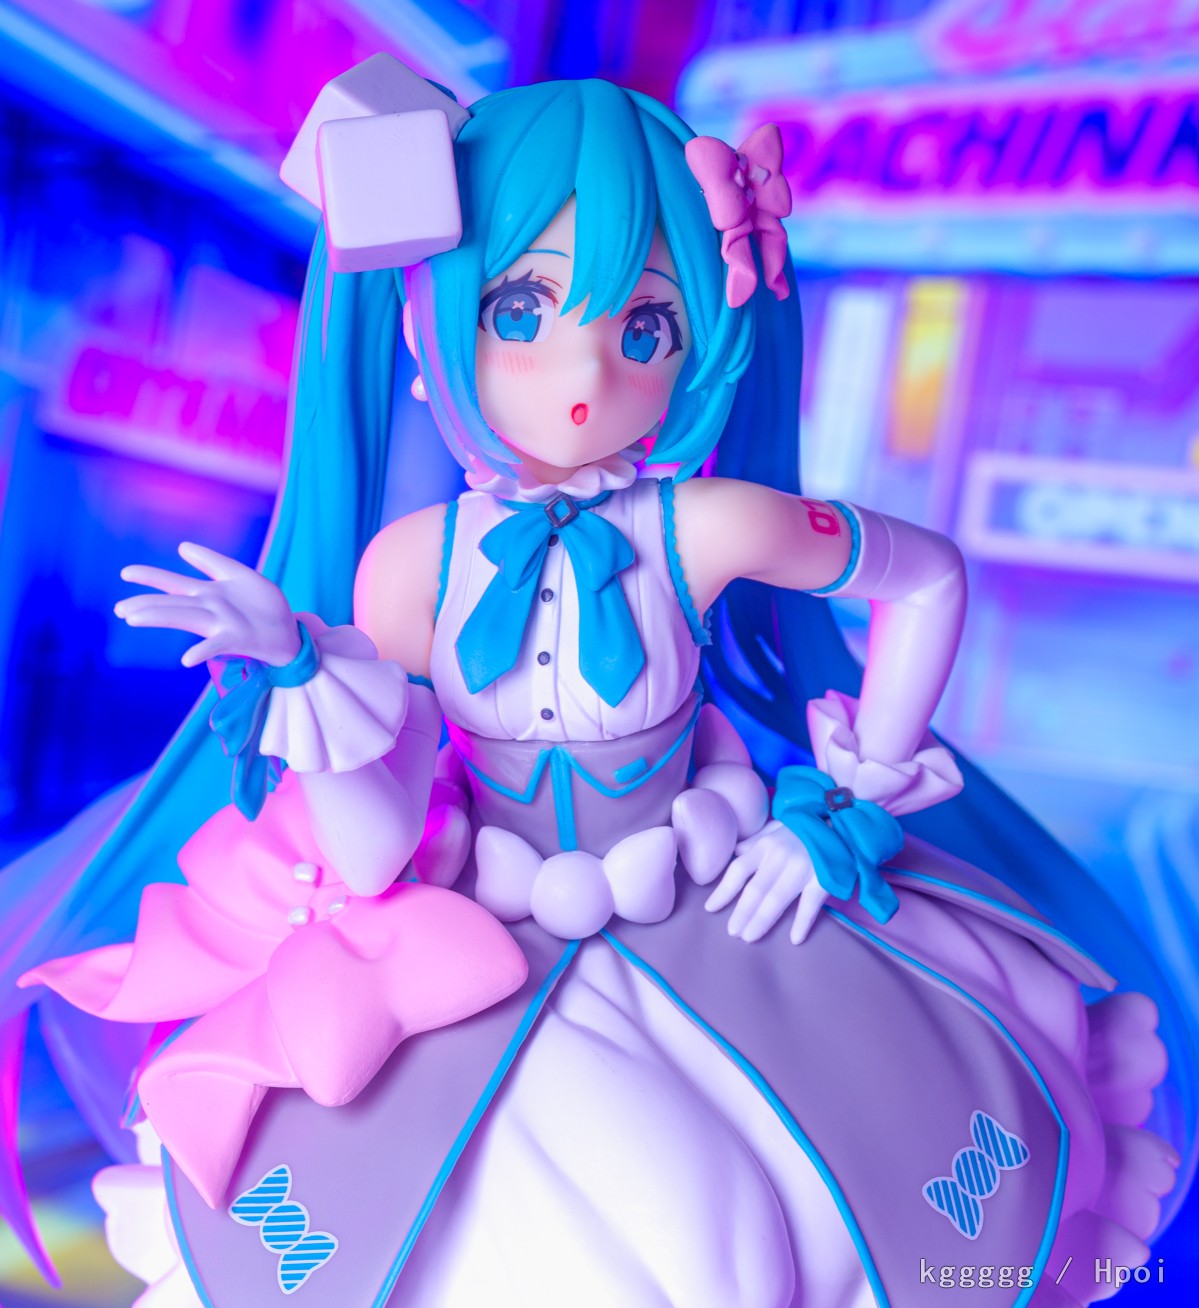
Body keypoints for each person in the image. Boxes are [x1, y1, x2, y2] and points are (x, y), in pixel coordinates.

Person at [3, 70, 1192, 1308]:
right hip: (471, 938)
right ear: (428, 329)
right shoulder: (409, 565)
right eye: (519, 308)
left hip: (706, 902)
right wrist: (308, 686)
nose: (581, 369)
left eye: (643, 327)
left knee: (851, 1200)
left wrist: (849, 805)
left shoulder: (707, 524)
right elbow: (372, 849)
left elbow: (928, 577)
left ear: (701, 344)